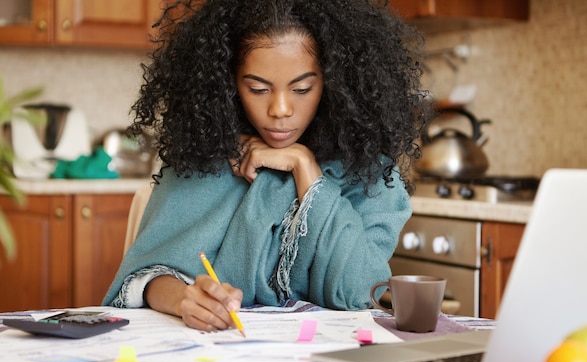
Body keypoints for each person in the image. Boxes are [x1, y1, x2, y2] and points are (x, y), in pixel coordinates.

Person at [103, 0, 431, 332]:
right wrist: (185, 299)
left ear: (334, 82)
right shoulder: (203, 159)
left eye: (302, 88)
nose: (280, 109)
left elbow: (361, 292)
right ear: (229, 84)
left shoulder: (367, 173)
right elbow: (147, 276)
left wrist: (305, 170)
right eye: (258, 89)